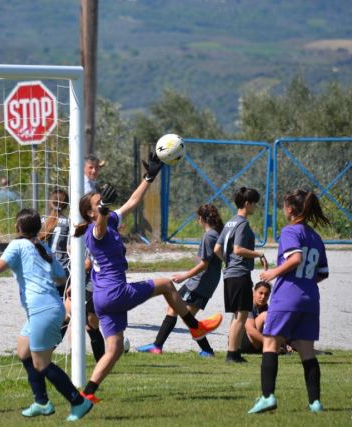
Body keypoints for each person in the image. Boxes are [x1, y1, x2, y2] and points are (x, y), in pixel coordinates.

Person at [73, 152, 223, 403]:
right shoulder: (95, 230)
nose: (104, 203)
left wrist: (149, 177)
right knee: (165, 284)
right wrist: (102, 208)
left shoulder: (108, 220)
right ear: (90, 212)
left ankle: (85, 396)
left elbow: (132, 201)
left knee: (115, 349)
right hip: (114, 294)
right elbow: (99, 226)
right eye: (98, 203)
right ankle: (196, 329)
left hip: (102, 299)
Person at [0, 209, 93, 422]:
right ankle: (42, 402)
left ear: (17, 227)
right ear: (38, 229)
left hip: (43, 310)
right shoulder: (43, 247)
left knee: (42, 364)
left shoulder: (18, 245)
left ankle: (79, 401)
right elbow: (61, 278)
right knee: (23, 351)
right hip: (45, 308)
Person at [248, 189, 329, 414]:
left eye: (284, 206)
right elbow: (323, 272)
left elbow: (296, 258)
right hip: (310, 299)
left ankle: (267, 397)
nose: (283, 210)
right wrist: (305, 282)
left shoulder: (290, 231)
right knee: (307, 352)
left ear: (291, 209)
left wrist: (273, 273)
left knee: (270, 343)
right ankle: (315, 403)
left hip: (287, 298)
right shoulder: (315, 237)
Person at [136, 203, 224, 357]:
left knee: (186, 316)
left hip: (199, 283)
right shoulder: (216, 234)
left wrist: (184, 275)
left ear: (200, 219)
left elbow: (204, 264)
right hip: (202, 282)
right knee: (175, 310)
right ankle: (157, 346)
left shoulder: (209, 236)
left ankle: (207, 350)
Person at [39, 188, 105, 362]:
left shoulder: (43, 220)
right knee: (75, 320)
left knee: (75, 320)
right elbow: (86, 262)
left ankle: (46, 354)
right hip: (67, 276)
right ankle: (52, 355)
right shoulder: (72, 223)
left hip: (48, 276)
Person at [214, 186, 268, 364]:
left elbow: (217, 249)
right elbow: (238, 249)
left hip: (229, 274)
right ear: (247, 203)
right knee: (241, 315)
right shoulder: (243, 224)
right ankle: (232, 354)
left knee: (237, 315)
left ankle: (233, 351)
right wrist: (258, 254)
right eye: (254, 204)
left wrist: (227, 263)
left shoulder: (229, 222)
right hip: (240, 274)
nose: (255, 207)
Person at [240, 281, 271, 354]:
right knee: (265, 315)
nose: (263, 297)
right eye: (260, 293)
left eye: (266, 294)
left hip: (256, 343)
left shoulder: (266, 307)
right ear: (254, 292)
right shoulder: (247, 305)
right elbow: (250, 330)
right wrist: (270, 343)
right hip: (242, 343)